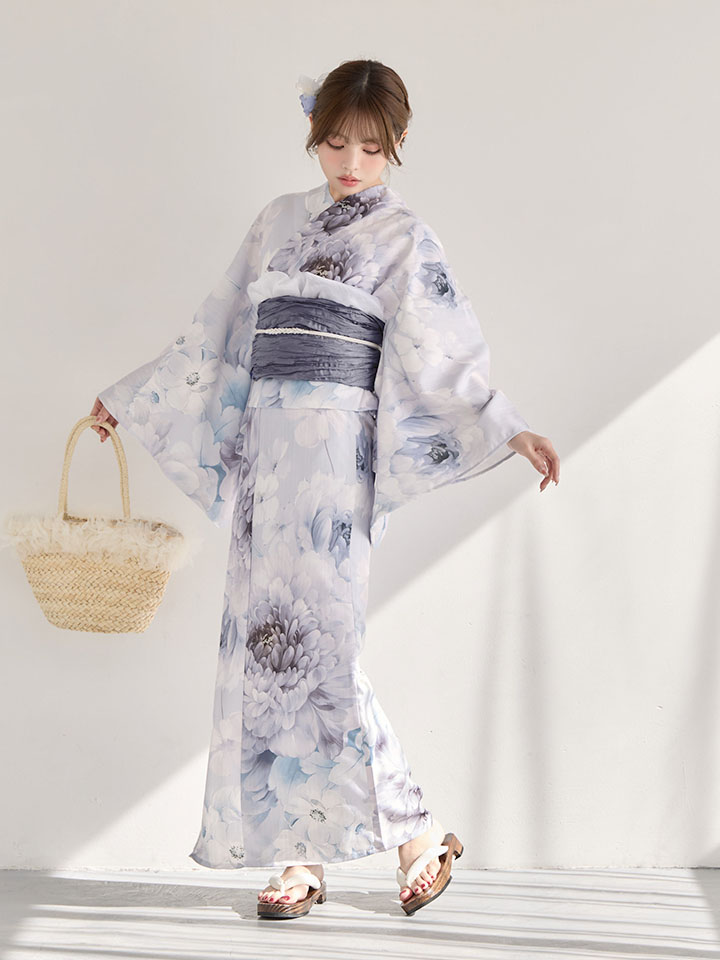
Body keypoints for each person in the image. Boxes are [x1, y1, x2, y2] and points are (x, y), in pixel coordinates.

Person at [91, 58, 559, 919]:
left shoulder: (405, 238)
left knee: (323, 653)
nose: (350, 162)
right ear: (315, 133)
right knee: (266, 652)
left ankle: (417, 831)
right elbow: (218, 331)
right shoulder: (276, 221)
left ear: (398, 145)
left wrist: (506, 426)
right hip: (268, 456)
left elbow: (443, 357)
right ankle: (298, 859)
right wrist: (132, 396)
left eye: (372, 148)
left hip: (338, 459)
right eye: (336, 141)